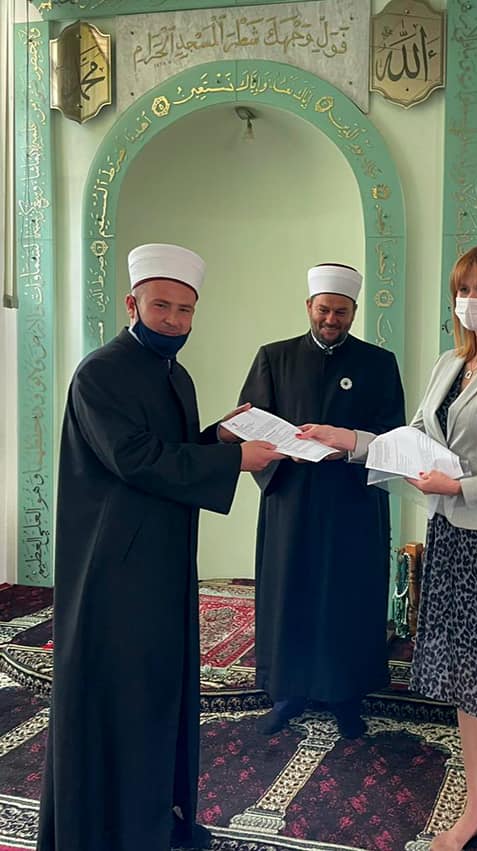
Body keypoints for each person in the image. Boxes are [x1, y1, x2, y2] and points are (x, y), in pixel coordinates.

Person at [303, 242, 477, 851]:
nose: (470, 301)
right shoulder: (450, 362)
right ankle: (474, 806)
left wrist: (461, 486)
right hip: (450, 537)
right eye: (462, 290)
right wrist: (351, 440)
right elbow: (414, 437)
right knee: (468, 678)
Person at [37, 243, 283, 851]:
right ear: (132, 304)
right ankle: (114, 833)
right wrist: (234, 459)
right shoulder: (100, 372)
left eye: (185, 310)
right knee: (124, 701)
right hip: (115, 571)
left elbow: (171, 452)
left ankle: (156, 822)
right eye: (162, 306)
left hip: (161, 562)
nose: (174, 320)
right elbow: (136, 459)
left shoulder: (175, 374)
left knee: (160, 698)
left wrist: (219, 436)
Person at [233, 263, 405, 738]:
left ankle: (346, 695)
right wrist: (281, 449)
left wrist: (346, 444)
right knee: (291, 592)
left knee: (348, 595)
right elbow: (250, 425)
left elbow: (394, 435)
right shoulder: (275, 357)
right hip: (292, 498)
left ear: (354, 312)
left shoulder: (378, 363)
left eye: (341, 312)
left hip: (352, 501)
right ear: (309, 306)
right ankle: (287, 692)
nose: (332, 319)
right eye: (324, 310)